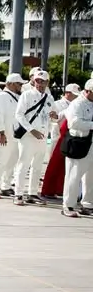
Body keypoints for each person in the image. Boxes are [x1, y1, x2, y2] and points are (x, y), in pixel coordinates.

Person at [12, 69, 53, 206]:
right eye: (37, 81)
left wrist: (54, 117)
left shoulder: (49, 98)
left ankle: (33, 193)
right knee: (23, 165)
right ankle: (18, 194)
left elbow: (50, 116)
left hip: (42, 136)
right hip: (28, 136)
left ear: (47, 82)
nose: (39, 84)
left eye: (42, 81)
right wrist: (31, 130)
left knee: (37, 166)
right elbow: (19, 115)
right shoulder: (27, 95)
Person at [0, 74, 25, 199]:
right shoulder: (0, 97)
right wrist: (1, 132)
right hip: (3, 135)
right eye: (18, 84)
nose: (20, 86)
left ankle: (6, 186)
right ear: (10, 84)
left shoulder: (19, 97)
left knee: (11, 162)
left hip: (15, 136)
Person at [61, 79, 93, 217]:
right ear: (88, 91)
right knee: (73, 175)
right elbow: (74, 123)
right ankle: (68, 205)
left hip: (91, 144)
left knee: (90, 176)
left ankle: (87, 203)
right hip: (79, 143)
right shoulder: (77, 104)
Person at [42, 83, 79, 199]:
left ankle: (59, 189)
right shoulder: (57, 104)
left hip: (69, 138)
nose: (76, 97)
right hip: (57, 136)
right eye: (74, 94)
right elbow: (54, 118)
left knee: (64, 167)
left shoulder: (75, 104)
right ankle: (49, 189)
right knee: (54, 164)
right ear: (67, 93)